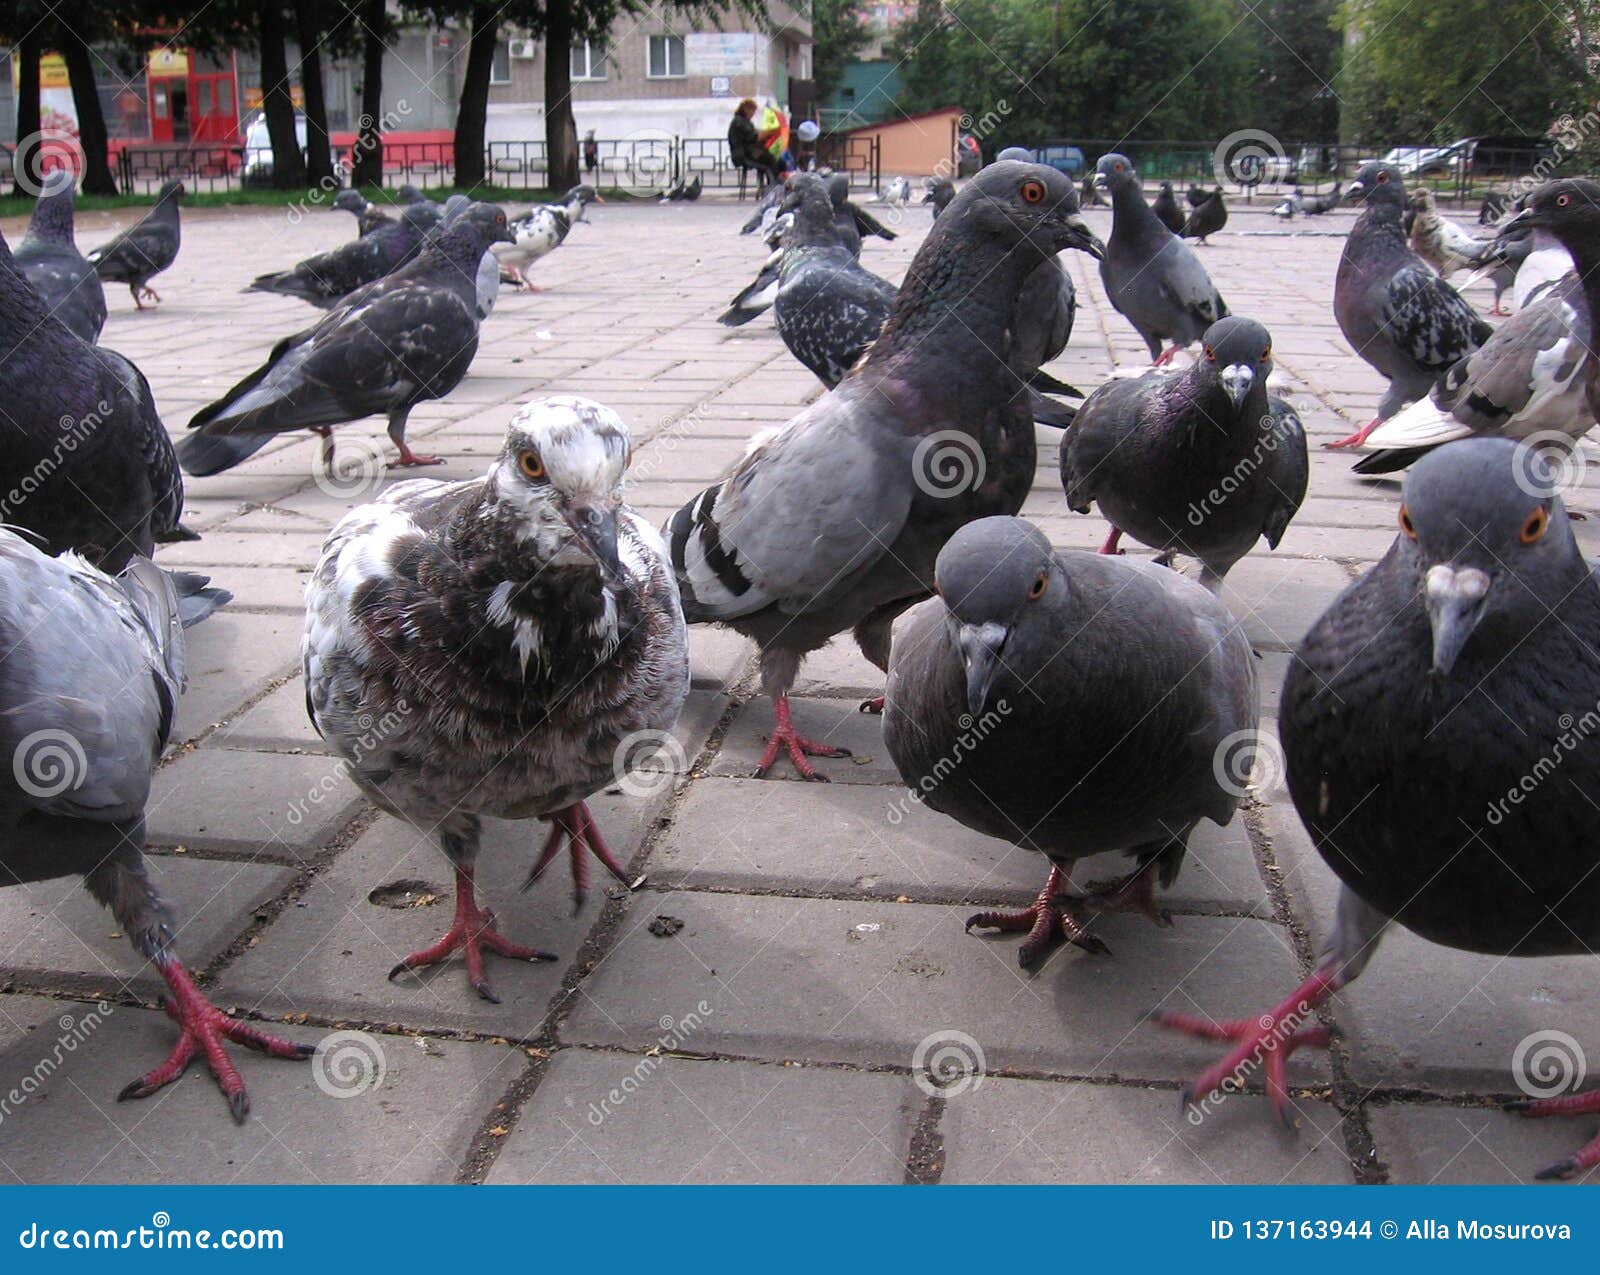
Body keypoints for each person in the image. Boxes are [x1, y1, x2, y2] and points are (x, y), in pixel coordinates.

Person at [728, 98, 781, 183]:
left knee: (774, 159)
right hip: (743, 155)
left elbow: (755, 134)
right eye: (752, 110)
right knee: (772, 160)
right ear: (746, 109)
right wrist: (771, 132)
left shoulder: (744, 121)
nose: (753, 113)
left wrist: (766, 134)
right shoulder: (739, 122)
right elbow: (754, 137)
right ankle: (774, 184)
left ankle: (772, 183)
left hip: (747, 153)